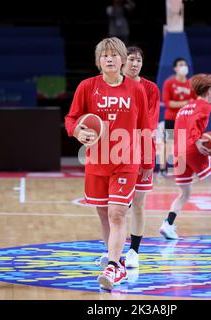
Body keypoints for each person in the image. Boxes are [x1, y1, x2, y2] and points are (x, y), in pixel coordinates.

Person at [64, 37, 153, 290]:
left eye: (114, 55)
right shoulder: (86, 87)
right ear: (98, 61)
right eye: (105, 56)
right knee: (104, 213)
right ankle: (114, 256)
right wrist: (77, 132)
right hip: (97, 161)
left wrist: (148, 161)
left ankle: (114, 267)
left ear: (122, 59)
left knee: (117, 213)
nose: (110, 59)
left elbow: (145, 126)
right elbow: (71, 119)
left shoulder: (136, 90)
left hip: (126, 161)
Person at [159, 73, 211, 239]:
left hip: (178, 152)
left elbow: (177, 131)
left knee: (184, 193)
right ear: (210, 90)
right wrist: (197, 141)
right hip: (192, 150)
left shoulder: (183, 108)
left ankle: (168, 224)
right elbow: (193, 126)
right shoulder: (205, 106)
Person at [121, 46, 160, 268]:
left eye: (138, 60)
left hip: (142, 148)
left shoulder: (150, 89)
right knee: (116, 206)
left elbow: (150, 122)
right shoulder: (113, 85)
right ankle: (112, 250)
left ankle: (134, 251)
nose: (135, 64)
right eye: (131, 59)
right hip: (116, 152)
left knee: (138, 203)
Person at [161, 57, 196, 175]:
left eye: (185, 64)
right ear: (175, 68)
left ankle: (185, 167)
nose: (183, 67)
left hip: (186, 119)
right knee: (168, 142)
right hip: (171, 118)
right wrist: (185, 103)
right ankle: (163, 168)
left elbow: (195, 102)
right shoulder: (169, 83)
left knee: (186, 144)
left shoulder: (191, 83)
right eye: (181, 65)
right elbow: (167, 102)